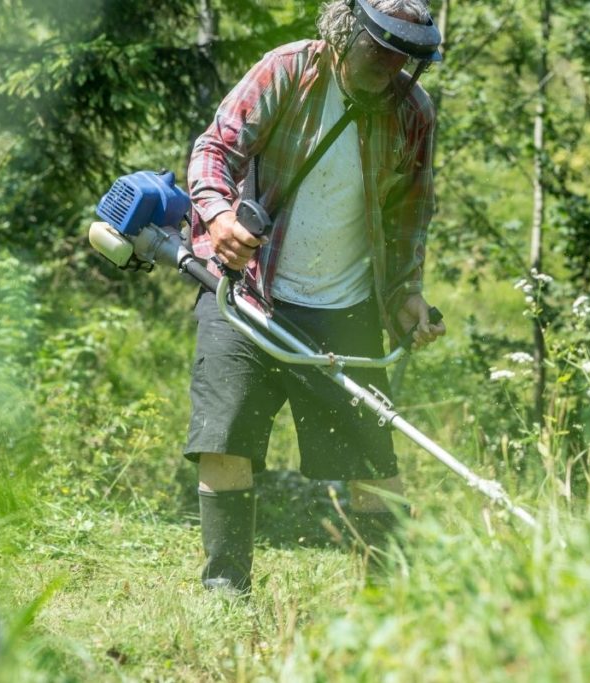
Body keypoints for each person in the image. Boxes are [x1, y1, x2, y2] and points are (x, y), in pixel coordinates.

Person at [184, 0, 446, 593]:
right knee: (225, 440)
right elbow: (216, 149)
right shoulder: (286, 72)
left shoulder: (413, 111)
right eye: (379, 49)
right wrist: (219, 216)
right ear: (344, 31)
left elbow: (411, 215)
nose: (390, 66)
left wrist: (406, 295)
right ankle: (226, 592)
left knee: (372, 463)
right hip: (248, 292)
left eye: (403, 57)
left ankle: (386, 599)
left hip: (346, 306)